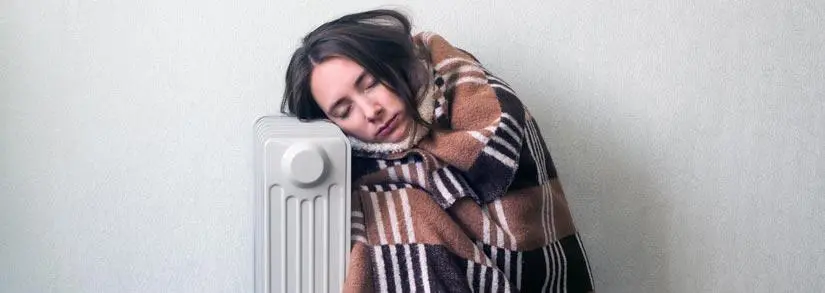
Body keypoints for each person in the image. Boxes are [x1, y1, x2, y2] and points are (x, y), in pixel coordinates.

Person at [281, 9, 594, 293]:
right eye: (344, 109)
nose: (370, 110)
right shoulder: (351, 171)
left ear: (394, 63)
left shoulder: (483, 102)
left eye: (371, 82)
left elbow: (505, 172)